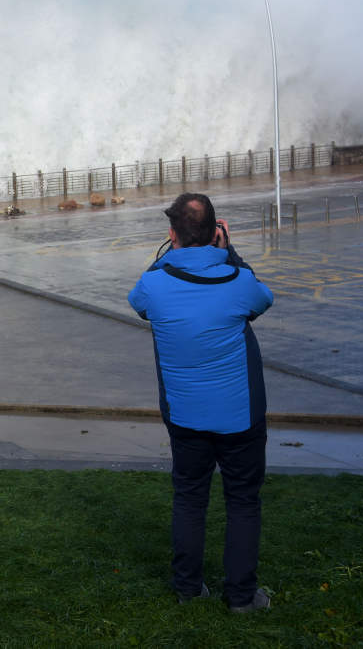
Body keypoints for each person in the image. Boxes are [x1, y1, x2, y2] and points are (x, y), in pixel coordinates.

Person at [127, 192, 274, 612]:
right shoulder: (238, 279)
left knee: (190, 498)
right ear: (216, 234)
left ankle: (189, 589)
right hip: (241, 416)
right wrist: (230, 253)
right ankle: (242, 597)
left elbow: (140, 300)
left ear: (172, 234)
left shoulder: (154, 283)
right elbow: (263, 299)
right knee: (243, 502)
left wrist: (169, 256)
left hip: (185, 416)